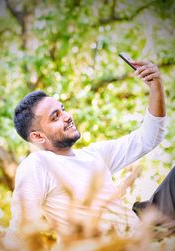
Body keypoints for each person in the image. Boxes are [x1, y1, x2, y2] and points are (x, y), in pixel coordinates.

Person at [10, 60, 173, 239]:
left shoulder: (94, 154)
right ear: (38, 137)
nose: (67, 117)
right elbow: (21, 228)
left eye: (62, 110)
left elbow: (148, 137)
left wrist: (156, 87)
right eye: (55, 117)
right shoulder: (38, 164)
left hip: (143, 225)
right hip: (120, 250)